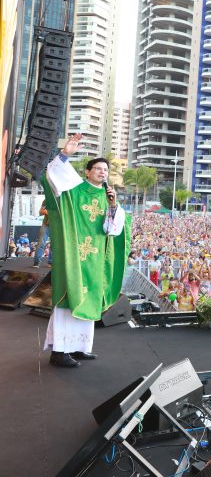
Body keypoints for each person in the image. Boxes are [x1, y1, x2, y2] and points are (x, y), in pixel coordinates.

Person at [42, 134, 132, 368]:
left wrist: (113, 206)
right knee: (68, 300)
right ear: (88, 172)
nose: (103, 173)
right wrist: (65, 154)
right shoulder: (74, 188)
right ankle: (59, 352)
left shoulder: (107, 196)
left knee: (88, 300)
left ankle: (79, 347)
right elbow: (52, 175)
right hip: (73, 256)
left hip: (93, 260)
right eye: (98, 169)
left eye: (106, 170)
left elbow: (112, 229)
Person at [33, 199, 50, 267]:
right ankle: (36, 262)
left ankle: (51, 262)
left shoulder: (65, 198)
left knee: (55, 245)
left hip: (58, 225)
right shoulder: (47, 199)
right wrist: (48, 212)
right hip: (46, 225)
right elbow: (41, 212)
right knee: (41, 243)